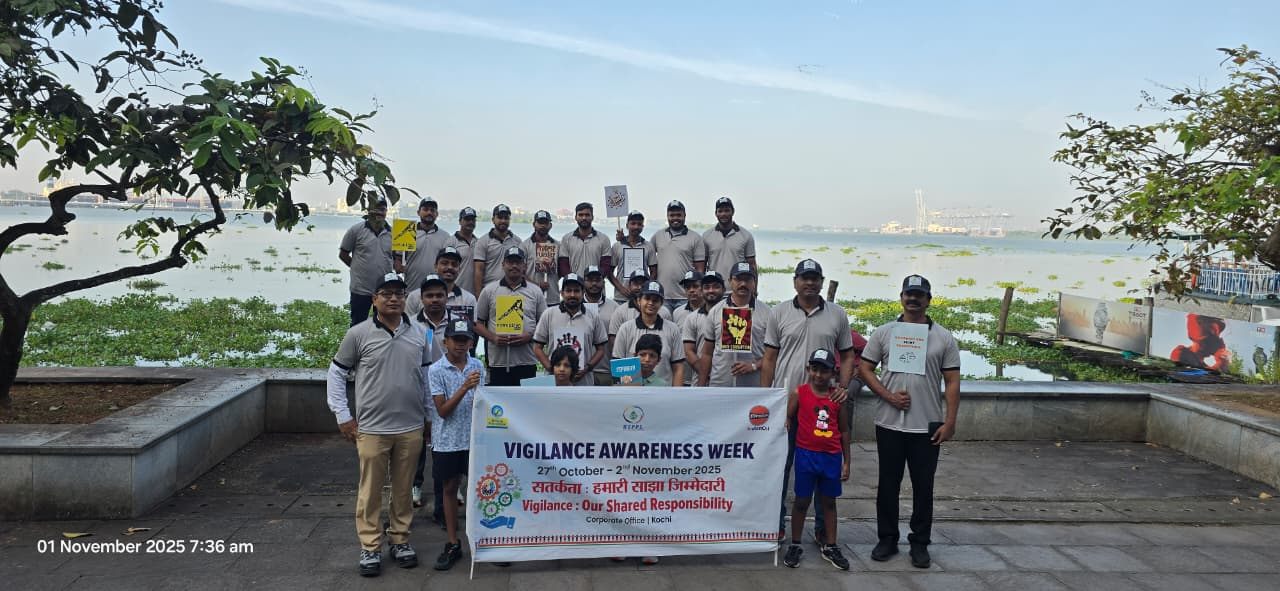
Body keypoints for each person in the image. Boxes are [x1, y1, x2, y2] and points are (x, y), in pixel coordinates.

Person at [326, 272, 429, 577]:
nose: (393, 299)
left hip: (410, 426)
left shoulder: (420, 333)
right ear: (374, 299)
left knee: (403, 488)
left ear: (406, 298)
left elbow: (427, 378)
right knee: (370, 490)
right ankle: (370, 546)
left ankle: (400, 539)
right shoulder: (358, 334)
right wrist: (343, 415)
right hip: (372, 428)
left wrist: (429, 417)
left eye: (399, 293)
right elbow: (336, 374)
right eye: (386, 293)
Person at [859, 274, 961, 569]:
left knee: (923, 487)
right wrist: (888, 396)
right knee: (887, 484)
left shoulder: (943, 337)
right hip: (889, 423)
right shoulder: (884, 333)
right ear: (901, 297)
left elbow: (952, 381)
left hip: (927, 425)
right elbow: (864, 369)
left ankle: (920, 543)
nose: (913, 299)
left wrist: (950, 422)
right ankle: (887, 538)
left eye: (919, 295)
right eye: (909, 294)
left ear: (929, 300)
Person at [760, 258, 855, 541]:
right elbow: (769, 358)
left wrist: (844, 387)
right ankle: (776, 523)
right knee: (781, 467)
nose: (810, 283)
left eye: (815, 278)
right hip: (787, 405)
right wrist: (766, 398)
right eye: (805, 278)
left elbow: (847, 356)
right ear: (795, 282)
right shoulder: (778, 312)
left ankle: (823, 529)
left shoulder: (837, 314)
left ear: (822, 282)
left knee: (824, 468)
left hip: (823, 406)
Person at [782, 349, 852, 571]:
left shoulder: (837, 398)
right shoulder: (800, 393)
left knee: (829, 502)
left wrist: (847, 461)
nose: (819, 375)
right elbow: (788, 417)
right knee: (801, 501)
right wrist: (785, 423)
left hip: (831, 457)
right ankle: (795, 544)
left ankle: (831, 545)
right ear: (808, 369)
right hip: (806, 455)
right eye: (814, 369)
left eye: (824, 371)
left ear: (833, 373)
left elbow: (844, 430)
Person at [427, 318, 485, 571]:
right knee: (450, 488)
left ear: (471, 343)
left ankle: (483, 538)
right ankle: (453, 542)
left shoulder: (477, 365)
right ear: (445, 342)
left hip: (474, 438)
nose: (461, 345)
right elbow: (442, 411)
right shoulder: (436, 370)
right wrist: (464, 387)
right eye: (456, 340)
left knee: (480, 489)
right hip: (447, 440)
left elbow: (483, 400)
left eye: (465, 340)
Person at [474, 246, 547, 386]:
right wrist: (493, 337)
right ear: (503, 265)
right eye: (510, 262)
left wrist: (530, 336)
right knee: (499, 400)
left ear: (524, 266)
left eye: (518, 262)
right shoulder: (489, 290)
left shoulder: (536, 292)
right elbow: (477, 323)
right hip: (498, 362)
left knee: (525, 398)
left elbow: (544, 323)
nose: (514, 266)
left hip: (526, 360)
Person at [409, 274, 450, 518]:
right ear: (421, 298)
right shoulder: (411, 325)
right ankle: (416, 484)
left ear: (446, 297)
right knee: (418, 441)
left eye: (439, 295)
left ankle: (449, 489)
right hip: (420, 389)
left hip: (449, 393)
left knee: (444, 443)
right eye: (429, 296)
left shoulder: (457, 323)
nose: (435, 300)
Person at [699, 262, 772, 387]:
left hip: (753, 385)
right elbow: (707, 353)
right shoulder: (716, 311)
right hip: (720, 384)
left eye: (747, 279)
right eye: (738, 279)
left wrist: (754, 366)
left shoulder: (767, 313)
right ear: (730, 281)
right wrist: (700, 386)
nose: (743, 284)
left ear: (754, 282)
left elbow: (773, 354)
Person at [533, 273, 608, 385]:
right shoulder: (549, 314)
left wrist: (587, 368)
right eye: (568, 291)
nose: (572, 295)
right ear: (562, 293)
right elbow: (537, 347)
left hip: (584, 382)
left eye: (576, 291)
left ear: (583, 293)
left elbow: (601, 349)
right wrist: (551, 368)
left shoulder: (593, 317)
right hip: (554, 383)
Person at [612, 280, 685, 386]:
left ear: (661, 303)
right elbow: (617, 366)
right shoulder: (625, 328)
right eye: (647, 298)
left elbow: (678, 367)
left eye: (655, 300)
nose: (651, 303)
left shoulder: (673, 329)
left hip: (664, 391)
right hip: (631, 391)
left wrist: (675, 394)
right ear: (639, 300)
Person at [338, 199, 394, 326]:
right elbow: (343, 254)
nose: (379, 212)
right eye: (375, 209)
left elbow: (397, 258)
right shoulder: (356, 230)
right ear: (368, 210)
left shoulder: (394, 233)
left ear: (386, 212)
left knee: (383, 325)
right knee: (358, 325)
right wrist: (357, 268)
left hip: (384, 290)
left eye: (382, 209)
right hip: (360, 289)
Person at [650, 200, 706, 311]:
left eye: (679, 215)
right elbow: (645, 252)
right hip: (662, 296)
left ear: (684, 215)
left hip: (686, 297)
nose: (675, 218)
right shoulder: (658, 236)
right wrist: (624, 240)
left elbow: (700, 270)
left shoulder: (695, 238)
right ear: (667, 216)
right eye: (672, 215)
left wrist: (697, 293)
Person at [405, 246, 477, 321]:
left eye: (454, 264)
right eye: (445, 263)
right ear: (435, 267)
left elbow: (472, 326)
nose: (450, 267)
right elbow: (407, 325)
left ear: (459, 269)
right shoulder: (414, 297)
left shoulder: (469, 299)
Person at [395, 197, 451, 293]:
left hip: (436, 290)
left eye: (432, 210)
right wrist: (398, 266)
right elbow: (398, 257)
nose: (429, 212)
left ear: (437, 214)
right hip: (411, 287)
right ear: (418, 212)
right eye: (425, 209)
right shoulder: (406, 231)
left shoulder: (445, 236)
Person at [701, 196, 756, 280]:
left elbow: (752, 265)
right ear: (716, 213)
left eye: (727, 210)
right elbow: (702, 265)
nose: (723, 214)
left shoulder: (746, 235)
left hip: (738, 286)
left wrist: (754, 287)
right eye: (720, 211)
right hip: (714, 286)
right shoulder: (706, 236)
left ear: (733, 211)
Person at [472, 204, 521, 296]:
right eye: (500, 217)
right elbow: (478, 271)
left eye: (506, 218)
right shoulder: (483, 241)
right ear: (493, 219)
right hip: (490, 292)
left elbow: (521, 268)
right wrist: (478, 296)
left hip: (513, 292)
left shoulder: (517, 241)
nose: (503, 221)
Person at [582, 265, 619, 385]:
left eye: (598, 280)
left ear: (603, 282)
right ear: (584, 282)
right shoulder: (575, 306)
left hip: (606, 370)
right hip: (580, 371)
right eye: (590, 280)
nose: (594, 284)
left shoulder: (614, 307)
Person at [558, 201, 613, 282]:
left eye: (587, 215)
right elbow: (563, 265)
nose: (584, 218)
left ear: (592, 217)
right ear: (575, 217)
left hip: (595, 286)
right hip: (574, 286)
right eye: (580, 215)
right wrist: (574, 281)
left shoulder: (603, 239)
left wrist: (594, 281)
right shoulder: (566, 239)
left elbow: (606, 266)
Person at [611, 210, 655, 303]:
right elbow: (609, 272)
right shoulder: (617, 246)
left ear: (643, 226)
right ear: (627, 225)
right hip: (621, 297)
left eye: (639, 224)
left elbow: (653, 272)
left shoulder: (649, 246)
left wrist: (645, 288)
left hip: (642, 298)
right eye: (633, 223)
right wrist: (621, 288)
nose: (636, 226)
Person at [672, 271, 704, 386]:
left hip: (706, 374)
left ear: (703, 287)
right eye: (688, 287)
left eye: (695, 286)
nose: (691, 290)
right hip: (684, 375)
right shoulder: (677, 313)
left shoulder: (713, 312)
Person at [522, 210, 560, 306]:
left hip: (552, 298)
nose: (543, 225)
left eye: (545, 223)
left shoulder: (558, 245)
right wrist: (537, 286)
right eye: (540, 222)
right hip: (530, 298)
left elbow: (561, 270)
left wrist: (551, 267)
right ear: (534, 224)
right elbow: (521, 273)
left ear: (550, 225)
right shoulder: (524, 245)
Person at [448, 207, 479, 300]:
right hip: (455, 292)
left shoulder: (479, 242)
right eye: (467, 219)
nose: (470, 222)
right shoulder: (451, 242)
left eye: (473, 220)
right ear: (460, 221)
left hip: (474, 295)